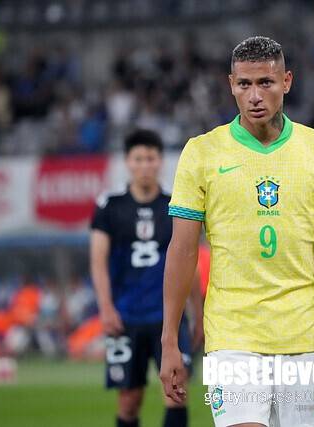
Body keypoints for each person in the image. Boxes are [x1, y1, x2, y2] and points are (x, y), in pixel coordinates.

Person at [160, 36, 314, 427]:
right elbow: (182, 250)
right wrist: (169, 340)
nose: (255, 95)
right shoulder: (202, 152)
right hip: (232, 336)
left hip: (306, 334)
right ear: (231, 84)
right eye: (245, 84)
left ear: (287, 81)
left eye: (266, 82)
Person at [90, 129, 203, 427]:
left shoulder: (176, 204)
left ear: (160, 161)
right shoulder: (109, 206)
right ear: (128, 162)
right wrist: (106, 308)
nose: (144, 165)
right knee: (129, 401)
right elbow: (98, 262)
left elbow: (189, 261)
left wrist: (199, 313)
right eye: (138, 159)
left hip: (169, 318)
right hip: (126, 317)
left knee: (176, 392)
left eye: (150, 158)